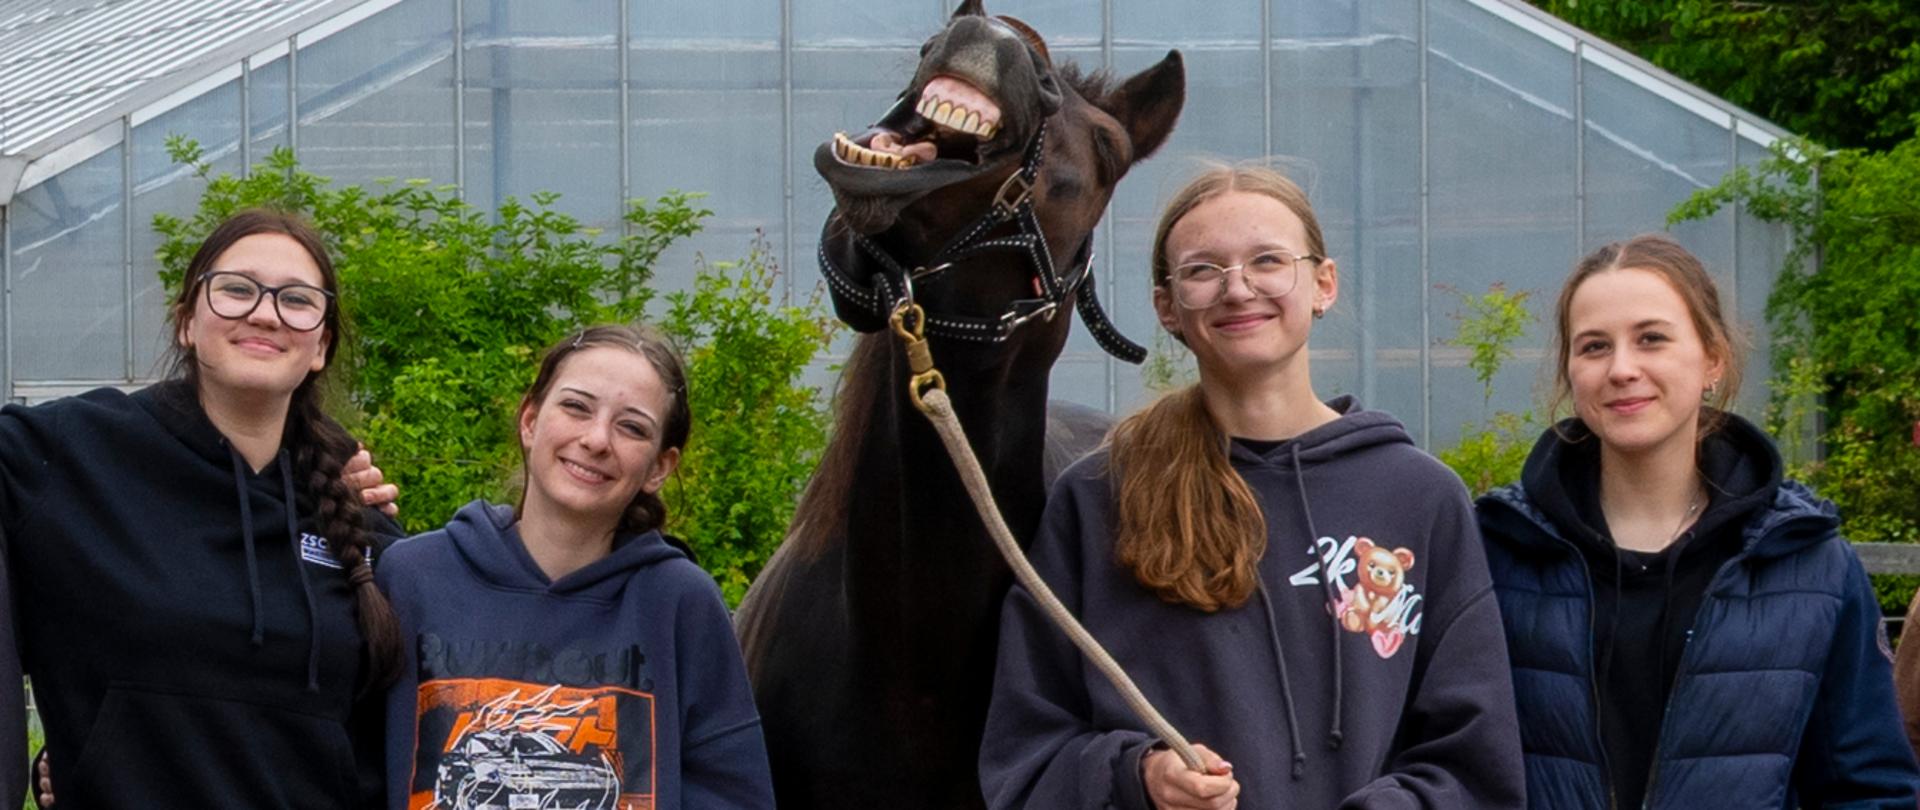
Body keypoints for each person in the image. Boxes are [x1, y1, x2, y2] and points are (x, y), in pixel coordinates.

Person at [979, 163, 1525, 809]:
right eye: (1203, 270)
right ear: (1167, 307)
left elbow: (1474, 762)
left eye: (1268, 260)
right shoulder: (1099, 498)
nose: (1238, 289)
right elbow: (1024, 755)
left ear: (1323, 284)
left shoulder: (1419, 497)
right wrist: (1139, 777)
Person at [1477, 233, 1920, 808]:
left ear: (1713, 358)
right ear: (1570, 371)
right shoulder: (1498, 552)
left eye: (1652, 339)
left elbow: (1868, 789)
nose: (1622, 369)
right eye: (1593, 347)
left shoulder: (1809, 565)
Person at [1, 209, 403, 807]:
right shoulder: (61, 460)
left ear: (320, 346)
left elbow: (379, 744)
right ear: (187, 320)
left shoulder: (356, 518)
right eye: (237, 289)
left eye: (296, 300)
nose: (264, 313)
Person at [377, 324, 774, 810]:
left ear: (659, 467)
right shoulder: (413, 577)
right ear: (529, 420)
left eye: (632, 427)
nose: (597, 439)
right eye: (576, 407)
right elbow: (346, 767)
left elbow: (730, 793)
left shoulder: (679, 601)